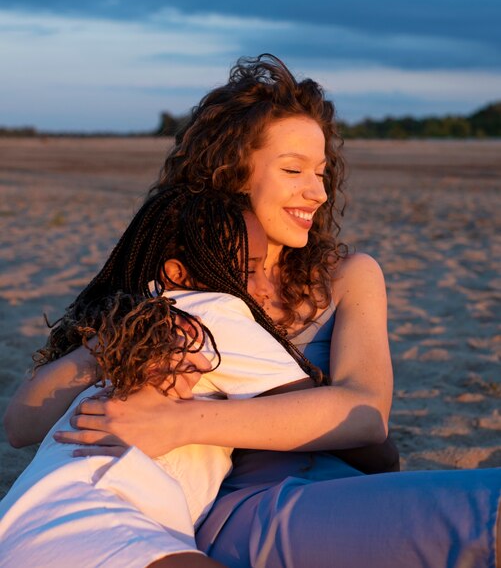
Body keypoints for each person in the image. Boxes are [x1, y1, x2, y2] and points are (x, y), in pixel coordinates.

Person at [5, 55, 501, 567]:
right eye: (293, 170)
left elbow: (369, 419)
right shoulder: (185, 280)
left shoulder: (349, 276)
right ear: (232, 174)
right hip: (231, 511)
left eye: (321, 172)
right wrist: (123, 342)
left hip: (327, 489)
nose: (319, 191)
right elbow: (22, 423)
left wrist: (185, 421)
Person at [1, 189, 318, 568]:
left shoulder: (135, 319)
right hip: (104, 509)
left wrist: (107, 344)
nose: (265, 289)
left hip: (41, 508)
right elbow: (316, 414)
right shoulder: (213, 314)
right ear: (177, 274)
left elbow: (18, 428)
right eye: (250, 271)